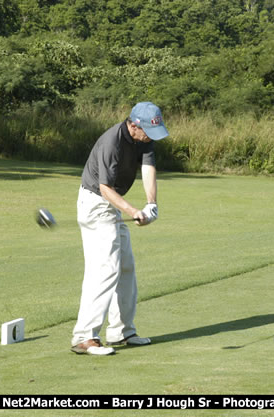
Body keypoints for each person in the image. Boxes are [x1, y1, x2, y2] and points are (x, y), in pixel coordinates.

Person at [71, 102, 169, 355]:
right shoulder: (111, 142)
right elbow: (105, 189)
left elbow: (148, 168)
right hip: (96, 202)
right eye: (147, 131)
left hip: (112, 204)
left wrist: (151, 204)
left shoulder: (143, 139)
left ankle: (121, 331)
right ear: (134, 125)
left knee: (125, 266)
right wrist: (133, 212)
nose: (151, 137)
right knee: (105, 268)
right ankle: (84, 336)